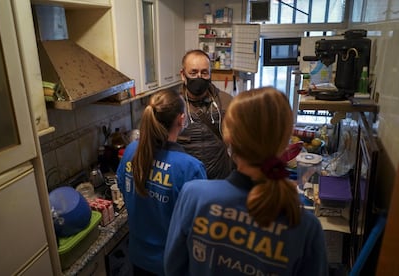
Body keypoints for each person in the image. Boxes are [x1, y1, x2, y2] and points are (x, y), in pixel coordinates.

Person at [164, 87, 328, 276]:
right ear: (286, 144)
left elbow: (173, 269)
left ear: (228, 137)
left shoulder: (194, 196)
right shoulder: (306, 226)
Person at [116, 89, 207, 276]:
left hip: (138, 259)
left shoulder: (131, 151)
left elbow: (124, 189)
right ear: (181, 120)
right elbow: (199, 225)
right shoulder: (190, 168)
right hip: (172, 264)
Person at [178, 49, 234, 179]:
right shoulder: (174, 105)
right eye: (193, 72)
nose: (199, 77)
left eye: (204, 72)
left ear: (210, 74)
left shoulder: (227, 102)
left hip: (220, 180)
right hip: (187, 182)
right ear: (183, 74)